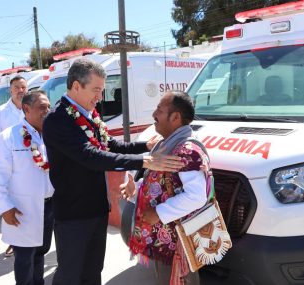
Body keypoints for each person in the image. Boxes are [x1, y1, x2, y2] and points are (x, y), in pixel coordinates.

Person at [42, 58, 184, 285]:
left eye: (102, 90)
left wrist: (144, 146)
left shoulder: (89, 116)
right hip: (73, 215)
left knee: (93, 272)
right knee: (70, 275)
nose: (100, 97)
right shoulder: (58, 120)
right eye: (96, 90)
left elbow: (110, 147)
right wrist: (145, 161)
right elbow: (91, 157)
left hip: (97, 210)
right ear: (77, 86)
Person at [121, 91, 211, 285]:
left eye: (159, 110)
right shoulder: (166, 145)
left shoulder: (188, 151)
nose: (154, 114)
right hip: (164, 243)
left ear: (176, 117)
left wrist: (159, 213)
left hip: (178, 244)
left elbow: (197, 196)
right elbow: (159, 185)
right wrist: (135, 189)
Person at [0, 90, 54, 285]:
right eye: (42, 107)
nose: (47, 111)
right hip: (21, 209)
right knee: (25, 258)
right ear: (26, 108)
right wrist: (5, 207)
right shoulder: (8, 136)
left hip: (48, 207)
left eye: (48, 107)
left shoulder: (50, 135)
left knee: (40, 252)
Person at [0, 75, 28, 258]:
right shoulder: (1, 112)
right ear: (10, 90)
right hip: (10, 167)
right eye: (17, 87)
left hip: (31, 165)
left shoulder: (32, 108)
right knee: (12, 203)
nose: (20, 90)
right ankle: (14, 242)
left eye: (23, 87)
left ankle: (28, 239)